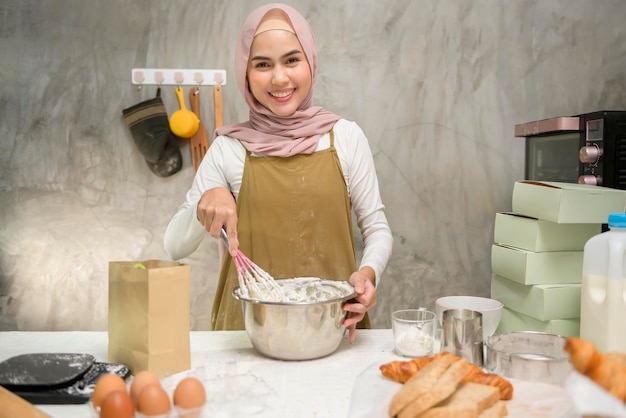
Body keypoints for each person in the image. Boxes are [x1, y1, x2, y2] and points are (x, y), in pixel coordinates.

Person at [163, 3, 393, 341]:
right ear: (246, 73)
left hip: (332, 329)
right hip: (247, 339)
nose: (279, 77)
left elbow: (377, 229)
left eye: (291, 60)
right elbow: (174, 247)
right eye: (262, 65)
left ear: (310, 63)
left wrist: (367, 274)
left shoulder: (344, 137)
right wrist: (207, 201)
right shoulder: (229, 149)